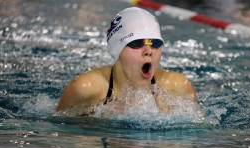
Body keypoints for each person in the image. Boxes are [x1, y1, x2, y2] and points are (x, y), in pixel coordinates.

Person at [56, 7, 198, 113]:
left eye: (155, 43)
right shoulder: (84, 88)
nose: (148, 51)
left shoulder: (179, 87)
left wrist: (171, 117)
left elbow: (204, 137)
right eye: (136, 43)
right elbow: (61, 135)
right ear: (118, 49)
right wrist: (102, 118)